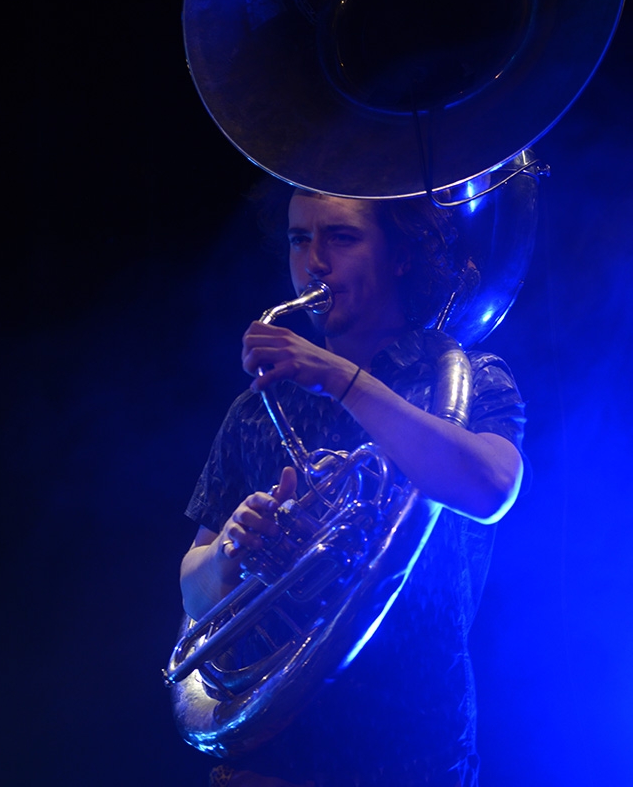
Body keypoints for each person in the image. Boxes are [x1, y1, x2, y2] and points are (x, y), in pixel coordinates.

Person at [181, 188, 525, 787]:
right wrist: (231, 550)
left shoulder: (467, 377)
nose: (313, 261)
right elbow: (191, 592)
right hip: (270, 761)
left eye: (340, 237)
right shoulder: (255, 407)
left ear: (399, 254)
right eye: (297, 239)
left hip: (413, 754)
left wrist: (339, 376)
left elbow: (491, 487)